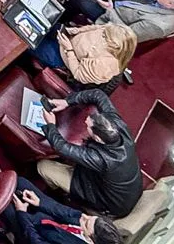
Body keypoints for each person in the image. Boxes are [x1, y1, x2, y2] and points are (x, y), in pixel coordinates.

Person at [39, 89, 144, 219]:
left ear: (98, 139)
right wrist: (67, 102)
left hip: (108, 201)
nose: (85, 122)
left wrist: (50, 125)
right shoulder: (117, 125)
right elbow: (98, 94)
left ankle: (58, 193)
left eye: (88, 126)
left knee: (43, 166)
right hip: (127, 189)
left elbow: (61, 147)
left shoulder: (103, 159)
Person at [2, 182, 122, 244]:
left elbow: (36, 243)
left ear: (91, 240)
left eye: (86, 223)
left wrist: (22, 213)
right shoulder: (104, 234)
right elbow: (69, 213)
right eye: (90, 217)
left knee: (5, 202)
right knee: (20, 182)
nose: (84, 217)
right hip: (58, 230)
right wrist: (40, 203)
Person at [35, 22, 138, 87]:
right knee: (42, 22)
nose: (103, 33)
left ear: (115, 45)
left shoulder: (106, 64)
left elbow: (78, 74)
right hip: (68, 39)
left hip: (64, 59)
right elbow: (96, 28)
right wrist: (77, 30)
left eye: (105, 36)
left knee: (33, 40)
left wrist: (69, 49)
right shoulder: (110, 31)